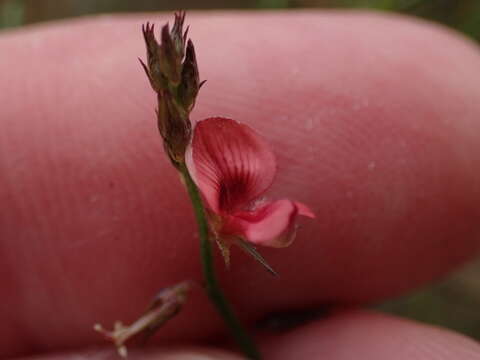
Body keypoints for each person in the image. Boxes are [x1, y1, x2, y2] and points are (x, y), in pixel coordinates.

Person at [1, 10, 480, 360]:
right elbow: (217, 179)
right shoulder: (217, 200)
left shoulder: (223, 188)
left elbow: (220, 169)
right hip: (224, 208)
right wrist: (225, 214)